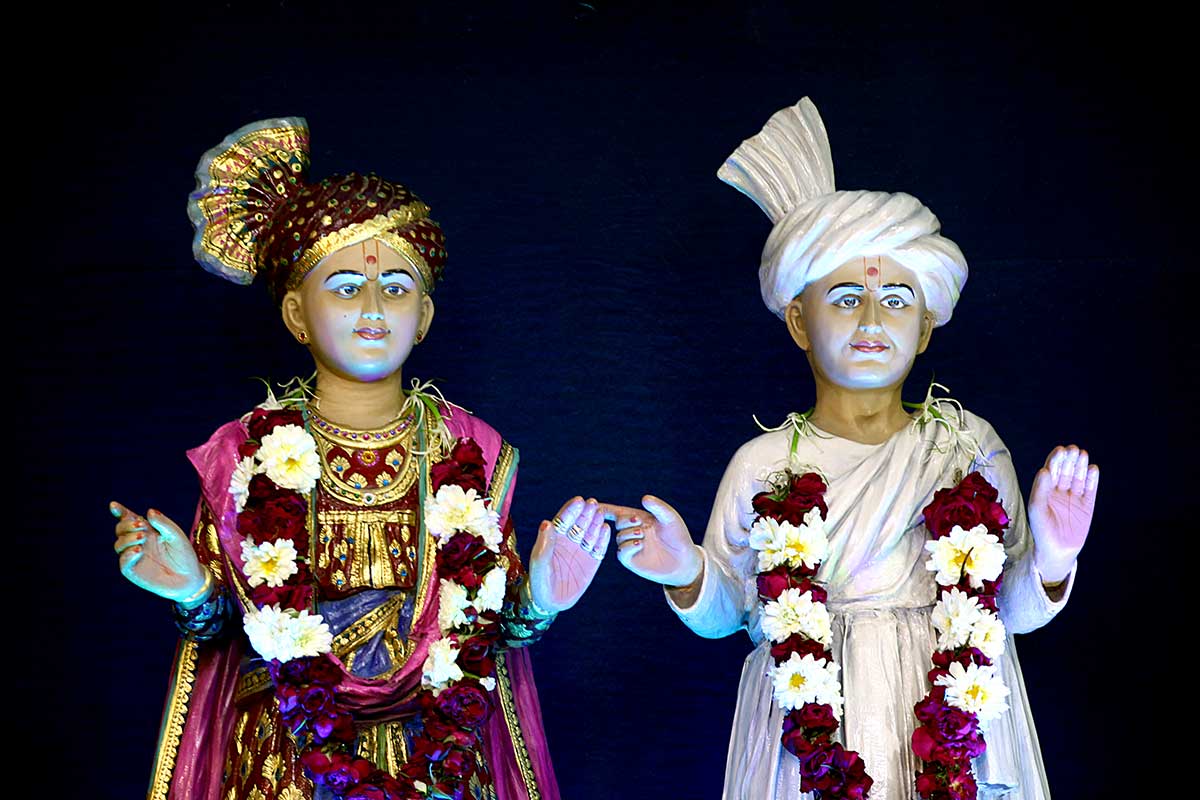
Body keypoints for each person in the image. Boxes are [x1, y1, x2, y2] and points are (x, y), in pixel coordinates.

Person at [606, 99, 1098, 799]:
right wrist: (685, 571)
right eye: (845, 299)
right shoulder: (764, 463)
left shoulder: (967, 445)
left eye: (896, 300)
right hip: (811, 728)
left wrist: (1053, 557)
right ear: (799, 322)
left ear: (924, 327)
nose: (871, 321)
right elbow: (733, 614)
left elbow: (1008, 612)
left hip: (951, 717)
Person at [110, 118, 610, 800]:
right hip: (288, 756)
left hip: (442, 760)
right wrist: (194, 592)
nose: (373, 308)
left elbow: (485, 630)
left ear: (424, 317)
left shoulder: (469, 449)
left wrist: (540, 603)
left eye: (396, 288)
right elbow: (226, 630)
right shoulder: (246, 454)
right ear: (296, 314)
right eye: (346, 287)